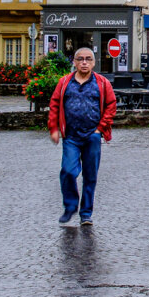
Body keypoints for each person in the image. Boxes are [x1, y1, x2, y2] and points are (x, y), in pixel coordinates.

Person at [48, 48, 117, 226]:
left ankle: (86, 213)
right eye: (80, 59)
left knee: (90, 175)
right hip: (71, 136)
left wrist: (100, 129)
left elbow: (111, 105)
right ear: (75, 62)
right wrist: (54, 128)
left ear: (94, 63)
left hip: (92, 135)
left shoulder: (102, 83)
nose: (84, 62)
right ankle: (70, 206)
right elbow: (55, 105)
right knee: (68, 171)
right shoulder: (64, 83)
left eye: (88, 59)